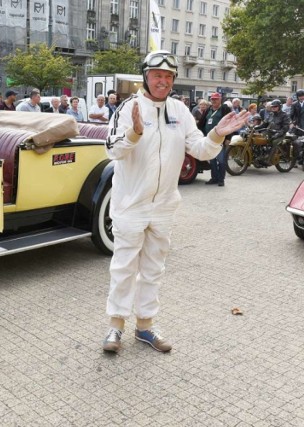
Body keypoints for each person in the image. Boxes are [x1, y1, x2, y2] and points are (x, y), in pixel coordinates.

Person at [102, 50, 249, 353]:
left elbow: (201, 149)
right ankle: (115, 327)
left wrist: (217, 134)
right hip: (130, 205)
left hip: (164, 206)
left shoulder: (180, 111)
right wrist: (134, 133)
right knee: (124, 268)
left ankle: (145, 327)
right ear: (146, 76)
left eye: (168, 77)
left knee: (154, 268)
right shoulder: (129, 108)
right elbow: (112, 151)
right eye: (158, 75)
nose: (163, 81)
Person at [198, 92, 231, 186]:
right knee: (212, 160)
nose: (214, 101)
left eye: (216, 99)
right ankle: (214, 178)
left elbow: (229, 123)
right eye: (212, 99)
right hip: (209, 139)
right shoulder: (208, 110)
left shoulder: (224, 109)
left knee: (221, 160)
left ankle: (221, 179)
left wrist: (228, 138)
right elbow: (201, 123)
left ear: (220, 99)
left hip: (220, 139)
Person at [255, 99, 290, 165]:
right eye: (272, 107)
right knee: (258, 138)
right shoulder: (271, 114)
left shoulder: (284, 115)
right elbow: (264, 124)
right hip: (270, 132)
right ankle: (260, 155)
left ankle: (269, 160)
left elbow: (285, 127)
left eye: (275, 106)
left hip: (280, 134)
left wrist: (278, 134)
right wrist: (255, 128)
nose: (273, 108)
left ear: (279, 107)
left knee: (274, 142)